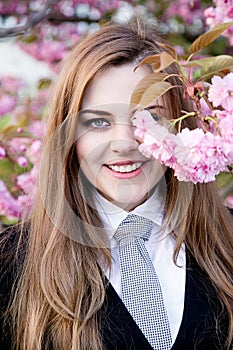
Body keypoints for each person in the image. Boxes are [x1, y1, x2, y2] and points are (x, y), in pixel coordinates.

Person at [1, 18, 233, 350]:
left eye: (149, 116)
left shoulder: (228, 243)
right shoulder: (11, 265)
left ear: (182, 127)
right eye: (98, 121)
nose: (124, 143)